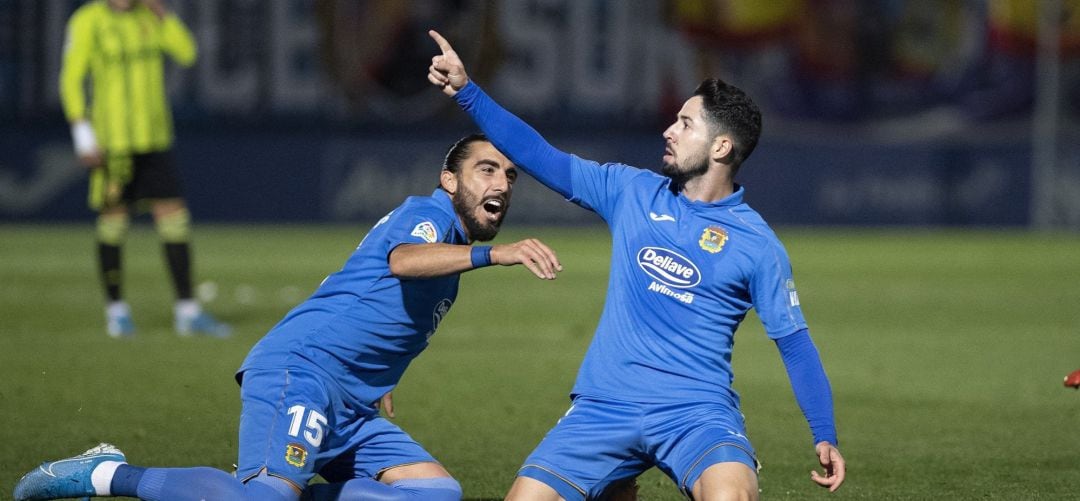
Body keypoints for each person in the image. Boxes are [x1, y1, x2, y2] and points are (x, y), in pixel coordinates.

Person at [12, 134, 563, 501]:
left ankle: (277, 483)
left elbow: (366, 302)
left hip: (348, 400)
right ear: (450, 181)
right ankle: (104, 474)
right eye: (486, 169)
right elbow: (401, 263)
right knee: (264, 499)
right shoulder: (427, 216)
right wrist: (498, 253)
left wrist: (375, 380)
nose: (501, 184)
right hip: (299, 372)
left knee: (437, 495)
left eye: (510, 176)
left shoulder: (449, 247)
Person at [426, 30, 846, 500]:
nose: (669, 130)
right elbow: (539, 155)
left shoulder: (757, 245)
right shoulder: (631, 191)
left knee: (733, 496)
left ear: (721, 148)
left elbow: (794, 344)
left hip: (696, 413)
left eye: (686, 124)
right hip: (604, 407)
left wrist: (823, 432)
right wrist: (468, 92)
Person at [59, 0, 228, 338]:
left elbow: (187, 53)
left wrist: (164, 15)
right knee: (114, 223)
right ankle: (117, 312)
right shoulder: (88, 20)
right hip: (113, 144)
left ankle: (187, 311)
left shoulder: (149, 17)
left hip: (154, 138)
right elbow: (71, 77)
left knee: (175, 221)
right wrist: (82, 132)